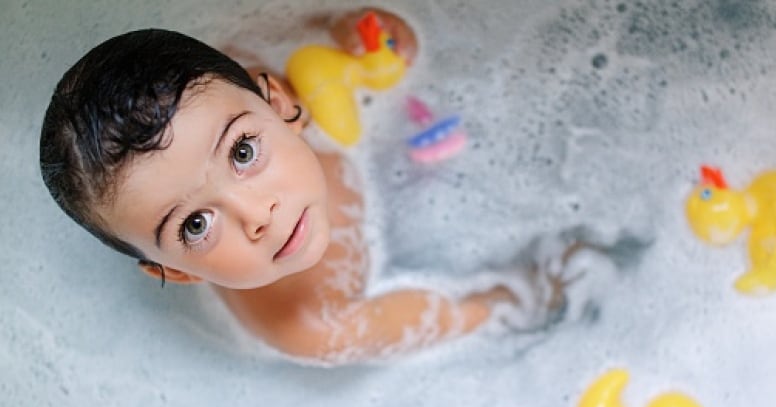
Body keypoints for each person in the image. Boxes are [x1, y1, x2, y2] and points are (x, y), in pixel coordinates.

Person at [39, 7, 573, 366]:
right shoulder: (310, 325)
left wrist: (368, 38)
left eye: (242, 152)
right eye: (196, 225)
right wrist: (528, 296)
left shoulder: (249, 87)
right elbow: (465, 312)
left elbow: (344, 35)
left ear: (278, 105)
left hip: (396, 152)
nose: (257, 214)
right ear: (177, 272)